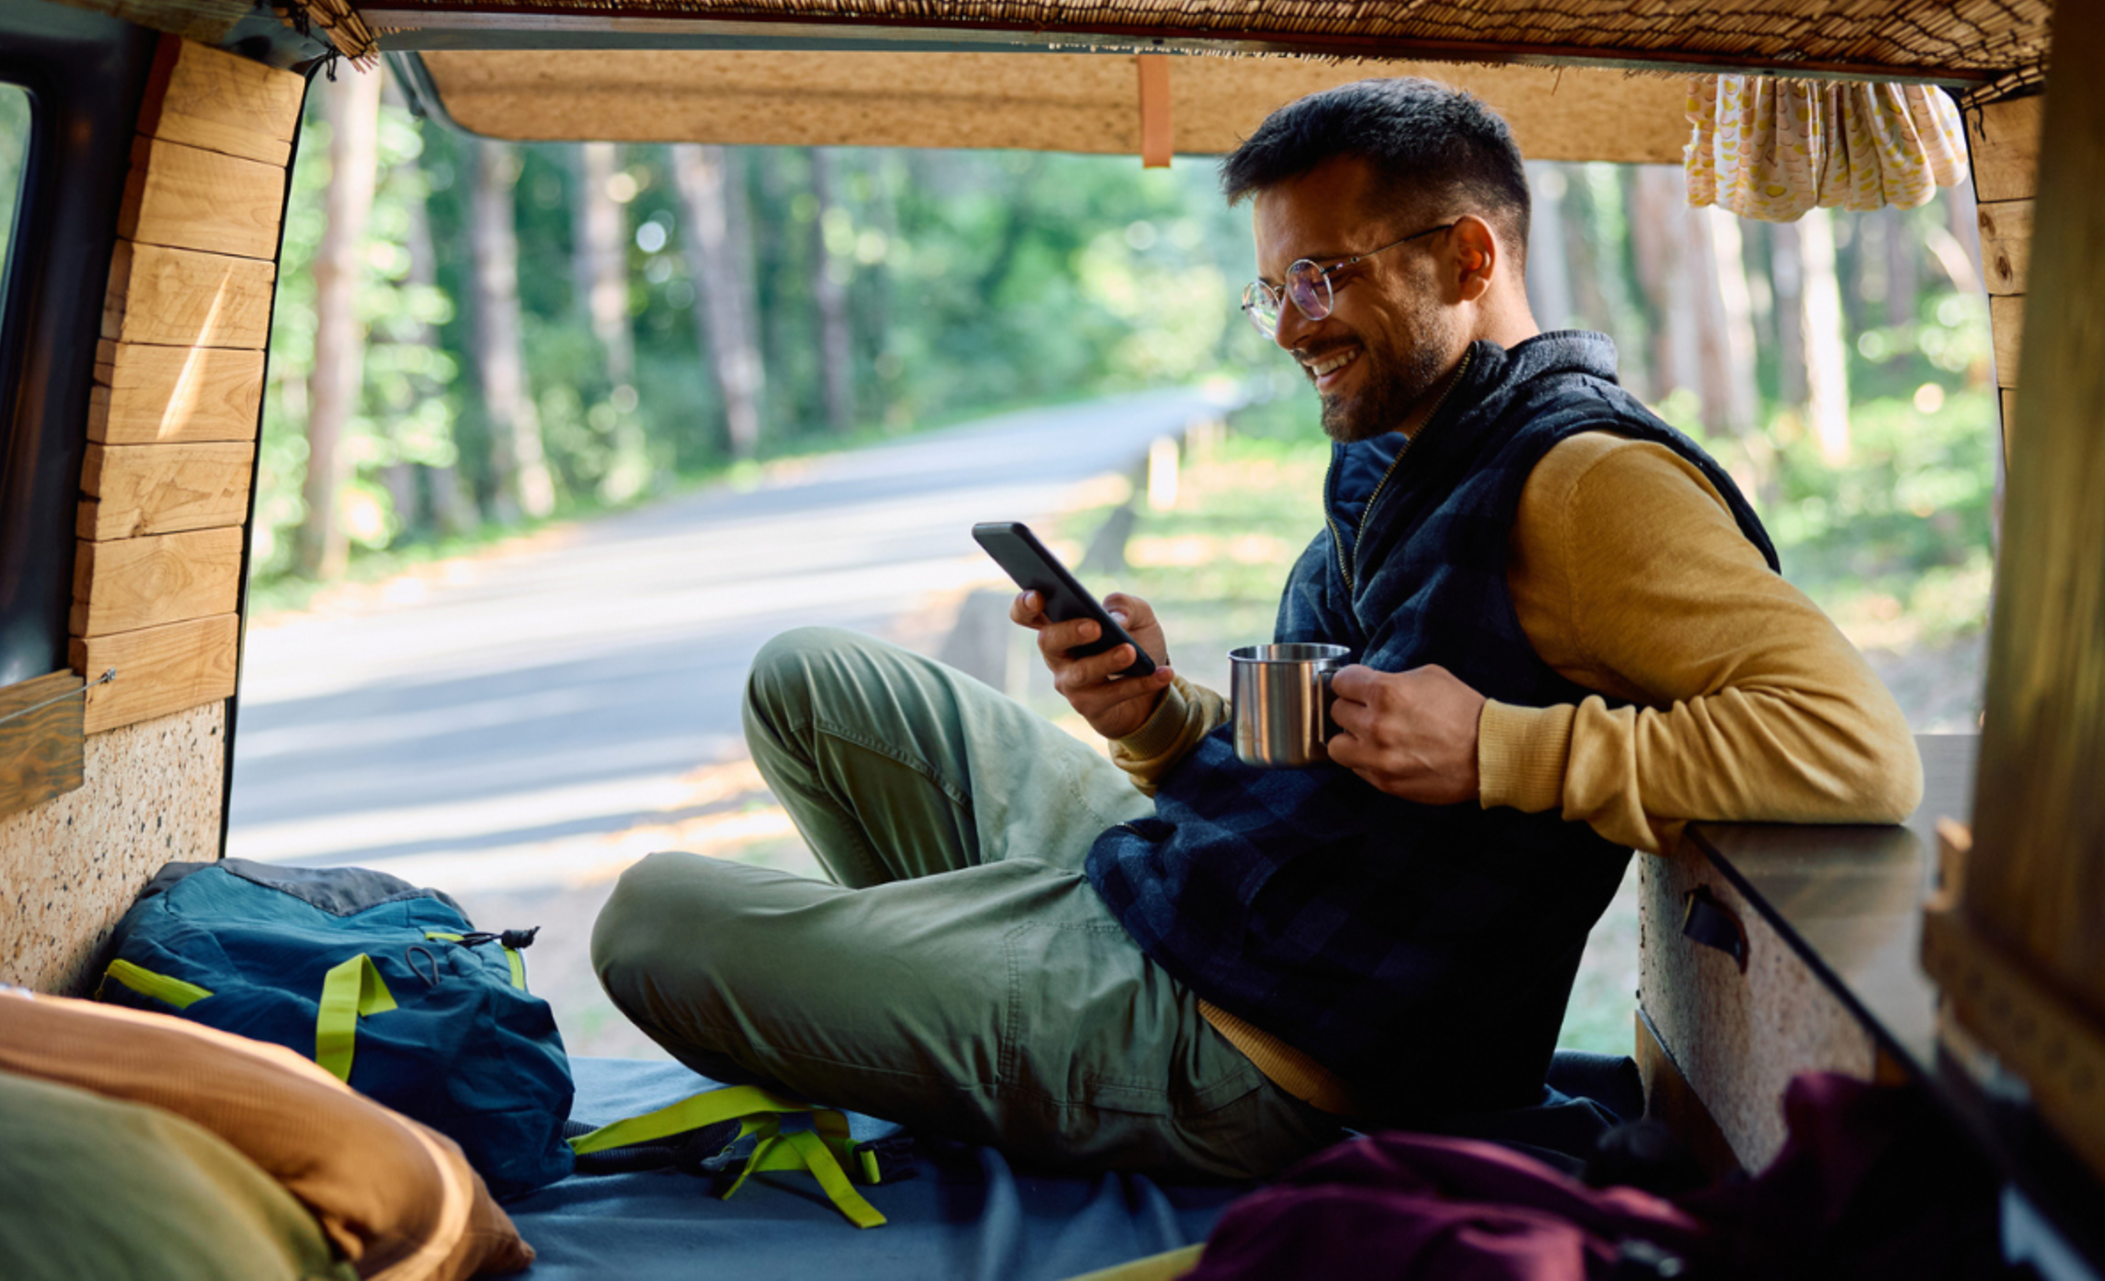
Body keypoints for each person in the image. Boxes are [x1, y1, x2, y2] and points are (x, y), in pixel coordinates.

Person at [591, 78, 1922, 1182]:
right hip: (1199, 892)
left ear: (1468, 256)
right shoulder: (1401, 452)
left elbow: (1853, 750)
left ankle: (1000, 1035)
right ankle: (970, 1016)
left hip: (1260, 1050)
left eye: (1323, 278)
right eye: (1272, 287)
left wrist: (1507, 749)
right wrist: (1158, 725)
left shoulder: (1588, 486)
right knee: (810, 685)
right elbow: (1320, 770)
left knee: (650, 925)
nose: (1289, 326)